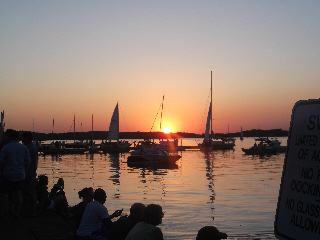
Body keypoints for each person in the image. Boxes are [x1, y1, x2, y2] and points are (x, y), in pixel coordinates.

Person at [0, 130, 31, 219]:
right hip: (20, 174)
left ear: (10, 137)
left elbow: (1, 162)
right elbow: (28, 162)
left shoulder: (6, 148)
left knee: (3, 193)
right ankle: (17, 212)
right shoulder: (24, 148)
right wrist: (25, 172)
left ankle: (3, 211)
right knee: (18, 193)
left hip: (7, 174)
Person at [22, 131, 38, 216]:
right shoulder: (30, 147)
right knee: (30, 191)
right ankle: (31, 210)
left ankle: (33, 211)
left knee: (31, 191)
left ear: (28, 138)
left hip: (29, 172)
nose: (22, 140)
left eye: (23, 138)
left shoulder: (30, 148)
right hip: (30, 172)